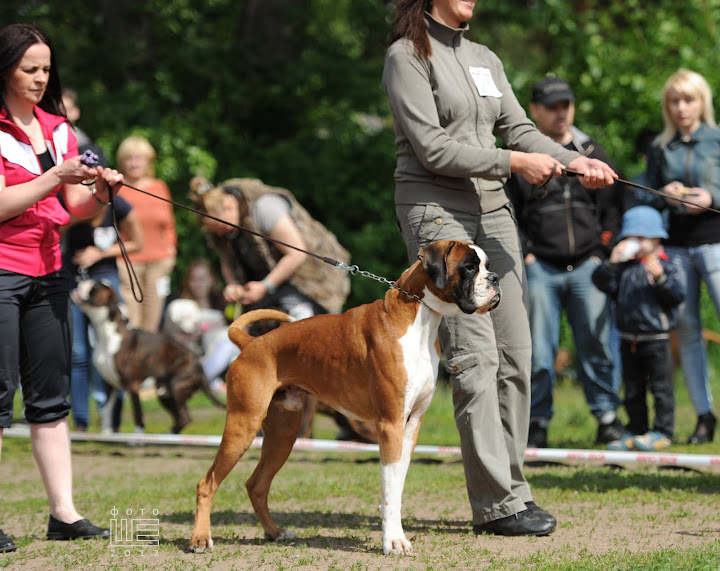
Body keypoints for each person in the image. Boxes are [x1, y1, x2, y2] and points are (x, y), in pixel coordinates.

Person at [382, 1, 617, 537]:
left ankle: (514, 490)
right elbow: (434, 149)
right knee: (476, 356)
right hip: (437, 208)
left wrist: (571, 156)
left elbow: (518, 126)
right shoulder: (406, 56)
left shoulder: (485, 56)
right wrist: (513, 162)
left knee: (516, 353)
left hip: (494, 212)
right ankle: (496, 505)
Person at [0, 22, 124, 549]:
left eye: (46, 69)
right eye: (30, 68)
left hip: (50, 273)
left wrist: (100, 194)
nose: (39, 78)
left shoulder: (58, 127)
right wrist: (57, 176)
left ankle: (64, 515)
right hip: (3, 270)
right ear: (5, 68)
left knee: (50, 399)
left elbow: (66, 210)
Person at [505, 77, 625, 449]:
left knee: (596, 343)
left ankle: (606, 417)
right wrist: (525, 251)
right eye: (552, 106)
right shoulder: (523, 158)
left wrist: (601, 252)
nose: (561, 113)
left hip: (588, 265)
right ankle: (538, 421)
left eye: (566, 105)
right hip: (541, 266)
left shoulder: (593, 151)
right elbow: (508, 212)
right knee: (540, 351)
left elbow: (615, 211)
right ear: (535, 110)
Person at [188, 176, 351, 435]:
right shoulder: (219, 224)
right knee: (264, 351)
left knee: (307, 350)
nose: (218, 234)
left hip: (308, 282)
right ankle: (270, 423)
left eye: (218, 228)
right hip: (269, 287)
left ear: (228, 208)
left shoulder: (265, 207)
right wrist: (232, 285)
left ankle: (349, 423)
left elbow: (296, 252)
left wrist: (265, 285)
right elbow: (226, 258)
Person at [641, 68, 720, 444]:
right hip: (675, 247)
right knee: (686, 331)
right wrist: (664, 193)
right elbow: (643, 194)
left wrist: (712, 198)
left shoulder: (718, 139)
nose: (681, 107)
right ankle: (705, 416)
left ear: (702, 102)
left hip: (714, 243)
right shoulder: (660, 147)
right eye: (674, 101)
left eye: (688, 99)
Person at [592, 206, 685, 451]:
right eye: (631, 238)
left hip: (656, 339)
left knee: (661, 388)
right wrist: (612, 262)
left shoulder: (666, 265)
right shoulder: (623, 268)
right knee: (632, 389)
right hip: (628, 338)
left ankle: (663, 431)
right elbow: (600, 282)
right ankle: (637, 430)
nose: (636, 244)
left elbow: (677, 296)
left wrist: (661, 279)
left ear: (656, 239)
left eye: (641, 239)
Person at [61, 196, 143, 431]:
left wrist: (101, 253)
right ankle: (81, 421)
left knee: (112, 353)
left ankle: (110, 422)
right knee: (77, 353)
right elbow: (53, 234)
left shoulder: (119, 205)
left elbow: (138, 243)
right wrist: (78, 215)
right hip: (74, 284)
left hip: (107, 285)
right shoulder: (67, 200)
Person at [115, 135, 177, 333]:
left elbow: (169, 224)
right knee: (131, 324)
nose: (134, 163)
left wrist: (171, 250)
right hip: (128, 264)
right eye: (129, 158)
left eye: (139, 157)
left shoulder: (159, 187)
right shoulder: (117, 188)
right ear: (121, 162)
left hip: (159, 264)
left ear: (148, 160)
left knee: (152, 324)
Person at [163, 258, 237, 394]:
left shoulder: (221, 302)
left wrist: (205, 328)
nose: (198, 284)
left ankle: (205, 379)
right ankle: (201, 380)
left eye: (202, 279)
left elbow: (230, 322)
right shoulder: (179, 304)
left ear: (212, 280)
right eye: (194, 279)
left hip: (213, 353)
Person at [60, 88, 107, 167]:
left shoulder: (92, 152)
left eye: (65, 109)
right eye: (56, 110)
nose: (61, 114)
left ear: (76, 112)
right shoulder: (43, 146)